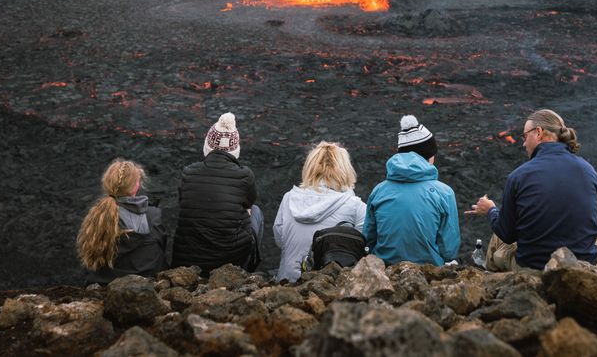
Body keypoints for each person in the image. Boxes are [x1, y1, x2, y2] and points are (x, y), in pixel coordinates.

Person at [465, 109, 597, 270]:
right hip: (583, 267)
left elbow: (507, 234)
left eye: (525, 136)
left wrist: (490, 210)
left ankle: (489, 270)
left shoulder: (519, 176)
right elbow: (596, 219)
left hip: (533, 269)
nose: (524, 143)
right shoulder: (588, 170)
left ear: (538, 132)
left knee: (501, 220)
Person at [172, 112, 262, 273]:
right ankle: (248, 270)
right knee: (256, 211)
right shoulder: (245, 175)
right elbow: (249, 204)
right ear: (235, 150)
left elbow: (183, 203)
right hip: (230, 263)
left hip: (185, 263)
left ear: (208, 146)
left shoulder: (188, 172)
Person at [363, 115, 460, 265]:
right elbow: (449, 250)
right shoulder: (444, 193)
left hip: (385, 271)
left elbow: (368, 240)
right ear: (429, 155)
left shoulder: (378, 191)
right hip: (429, 272)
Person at [273, 141, 367, 282]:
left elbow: (280, 241)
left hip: (287, 284)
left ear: (309, 168)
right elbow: (364, 249)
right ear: (346, 170)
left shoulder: (289, 199)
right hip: (331, 288)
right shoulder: (355, 206)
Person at [76, 158, 167, 282]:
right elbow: (160, 250)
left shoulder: (98, 214)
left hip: (102, 283)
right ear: (136, 186)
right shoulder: (153, 215)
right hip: (147, 284)